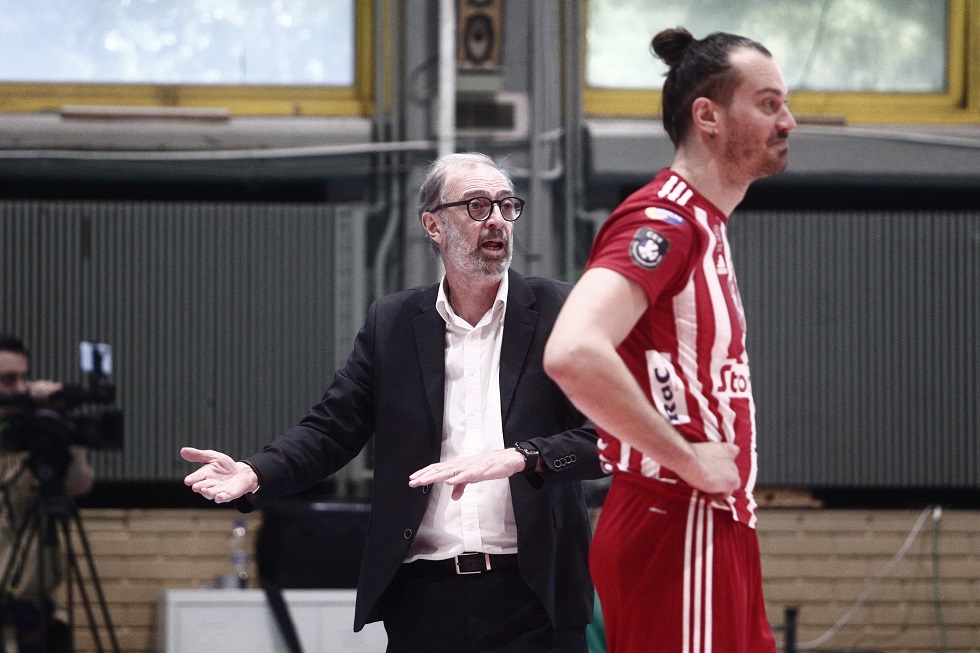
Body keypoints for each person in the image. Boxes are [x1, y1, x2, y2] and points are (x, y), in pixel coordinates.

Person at [182, 152, 604, 653]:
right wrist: (256, 472)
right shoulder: (395, 322)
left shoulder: (560, 310)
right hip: (423, 600)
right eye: (476, 205)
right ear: (433, 225)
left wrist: (523, 456)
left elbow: (608, 436)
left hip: (536, 597)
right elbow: (331, 429)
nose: (496, 219)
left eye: (505, 205)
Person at [543, 27, 797, 653]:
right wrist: (686, 459)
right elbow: (573, 352)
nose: (788, 121)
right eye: (768, 103)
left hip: (707, 523)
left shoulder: (704, 225)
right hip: (678, 519)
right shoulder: (665, 221)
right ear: (708, 116)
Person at [0, 334, 96, 653]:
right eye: (7, 380)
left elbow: (79, 485)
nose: (20, 389)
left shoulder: (38, 432)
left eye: (23, 378)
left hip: (35, 605)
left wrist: (63, 429)